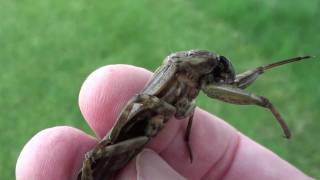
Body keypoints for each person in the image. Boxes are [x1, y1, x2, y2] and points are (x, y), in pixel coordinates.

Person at [16, 65, 313, 180]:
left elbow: (189, 107)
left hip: (143, 128)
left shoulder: (190, 86)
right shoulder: (182, 78)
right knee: (100, 153)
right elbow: (147, 103)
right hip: (129, 134)